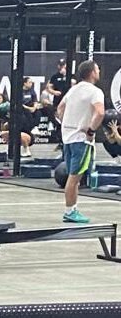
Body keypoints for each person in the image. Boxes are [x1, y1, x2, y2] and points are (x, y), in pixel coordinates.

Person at [56, 60, 105, 224]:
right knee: (74, 178)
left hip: (68, 138)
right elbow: (100, 113)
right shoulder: (95, 92)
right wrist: (90, 130)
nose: (99, 71)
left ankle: (72, 209)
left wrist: (68, 125)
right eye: (97, 69)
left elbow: (60, 109)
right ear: (92, 73)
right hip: (81, 140)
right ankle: (69, 211)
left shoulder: (73, 90)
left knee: (73, 177)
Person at [15, 75, 40, 159]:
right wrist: (29, 108)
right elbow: (20, 104)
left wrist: (34, 107)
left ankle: (35, 126)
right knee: (26, 111)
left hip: (31, 108)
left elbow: (35, 101)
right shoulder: (19, 92)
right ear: (24, 83)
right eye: (29, 82)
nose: (31, 84)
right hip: (23, 108)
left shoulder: (32, 91)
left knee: (38, 111)